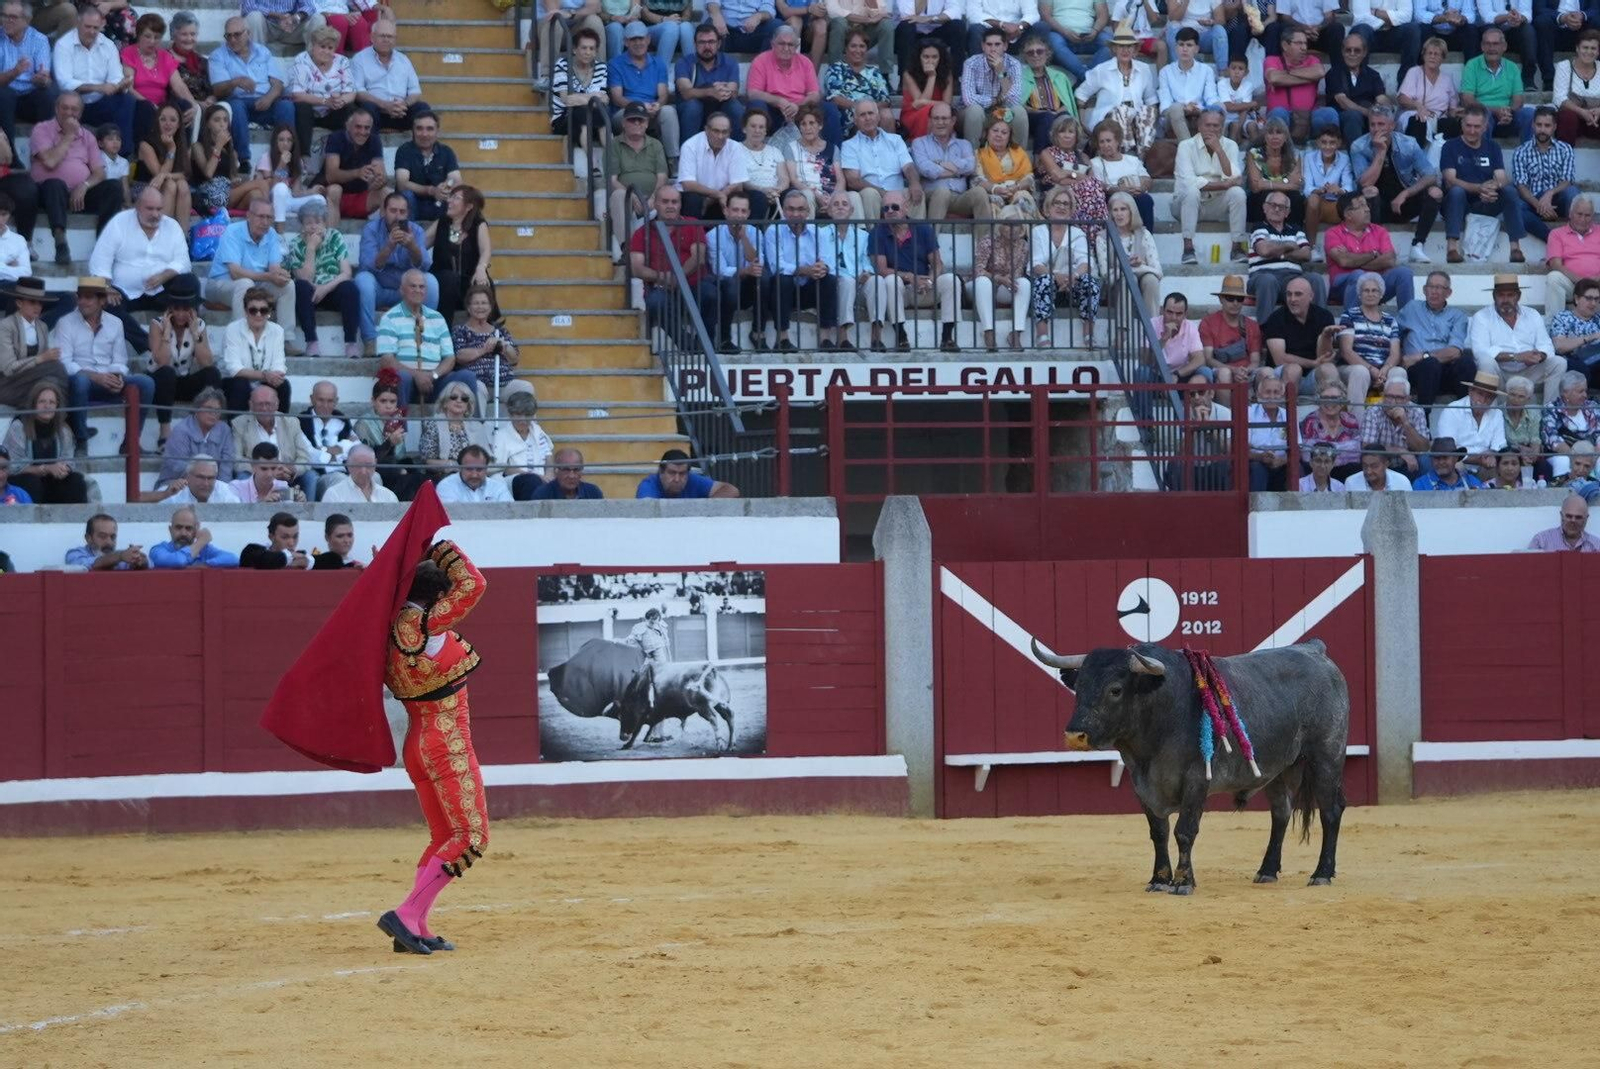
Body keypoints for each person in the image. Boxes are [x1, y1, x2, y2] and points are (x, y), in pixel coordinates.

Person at [378, 538, 491, 955]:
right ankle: (407, 913)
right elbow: (475, 583)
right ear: (440, 597)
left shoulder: (391, 627)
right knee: (471, 836)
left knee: (444, 834)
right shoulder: (426, 626)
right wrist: (436, 543)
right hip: (447, 743)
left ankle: (418, 924)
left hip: (417, 744)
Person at [89, 186, 191, 354]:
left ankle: (186, 338)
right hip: (124, 291)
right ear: (137, 206)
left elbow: (184, 262)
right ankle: (148, 345)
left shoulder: (171, 226)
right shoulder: (119, 223)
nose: (155, 214)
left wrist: (165, 275)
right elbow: (100, 260)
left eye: (159, 209)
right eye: (150, 209)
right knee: (103, 302)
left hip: (160, 290)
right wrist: (106, 287)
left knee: (189, 283)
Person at [60, 275, 151, 450]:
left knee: (146, 383)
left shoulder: (115, 323)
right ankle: (80, 440)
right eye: (80, 297)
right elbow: (64, 363)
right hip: (80, 382)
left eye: (88, 298)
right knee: (80, 381)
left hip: (107, 381)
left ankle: (130, 443)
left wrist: (117, 376)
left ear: (102, 301)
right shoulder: (66, 323)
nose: (82, 302)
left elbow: (120, 360)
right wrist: (95, 377)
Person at [30, 91, 123, 262]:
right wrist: (69, 136)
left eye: (74, 109)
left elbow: (99, 172)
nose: (69, 113)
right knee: (54, 183)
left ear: (80, 113)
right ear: (57, 109)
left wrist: (85, 185)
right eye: (65, 108)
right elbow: (50, 162)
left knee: (114, 187)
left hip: (79, 196)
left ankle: (104, 245)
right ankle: (60, 241)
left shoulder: (88, 136)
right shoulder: (42, 129)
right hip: (48, 193)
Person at [1348, 105, 1439, 266]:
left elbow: (1430, 175)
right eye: (1372, 124)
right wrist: (1380, 152)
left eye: (1381, 124)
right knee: (1370, 191)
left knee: (1435, 192)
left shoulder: (1408, 144)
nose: (1376, 129)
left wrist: (1406, 193)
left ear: (1392, 125)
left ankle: (1418, 245)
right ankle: (1374, 245)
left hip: (1404, 202)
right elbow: (1365, 183)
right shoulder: (1359, 146)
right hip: (1376, 206)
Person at [868, 188, 952, 351]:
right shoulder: (877, 232)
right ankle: (901, 335)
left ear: (906, 207)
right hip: (901, 290)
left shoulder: (923, 229)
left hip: (924, 287)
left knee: (951, 280)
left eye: (895, 207)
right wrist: (910, 277)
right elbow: (882, 269)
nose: (890, 211)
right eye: (886, 208)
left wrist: (929, 280)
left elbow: (937, 263)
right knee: (891, 281)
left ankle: (948, 336)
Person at [1440, 104, 1525, 265]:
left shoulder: (1492, 147)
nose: (1472, 131)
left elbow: (1502, 177)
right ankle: (1452, 248)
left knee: (1509, 191)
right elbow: (1450, 180)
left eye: (1477, 126)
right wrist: (1480, 188)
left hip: (1485, 201)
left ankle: (1515, 247)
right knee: (1456, 191)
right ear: (1462, 124)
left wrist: (1493, 187)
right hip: (1459, 204)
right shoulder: (1450, 146)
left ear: (1485, 127)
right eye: (1468, 126)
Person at [378, 269, 472, 409]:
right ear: (402, 290)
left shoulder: (437, 318)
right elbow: (387, 360)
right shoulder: (389, 318)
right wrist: (416, 375)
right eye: (413, 286)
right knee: (401, 378)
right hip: (406, 382)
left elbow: (450, 358)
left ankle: (469, 429)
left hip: (435, 381)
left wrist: (433, 375)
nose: (417, 290)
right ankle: (397, 430)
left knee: (467, 377)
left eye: (421, 287)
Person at [209, 16, 293, 170]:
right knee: (235, 106)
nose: (232, 39)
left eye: (237, 34)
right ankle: (244, 160)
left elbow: (278, 84)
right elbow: (217, 89)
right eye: (229, 35)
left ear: (248, 33)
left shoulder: (263, 52)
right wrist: (236, 81)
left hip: (264, 102)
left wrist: (269, 98)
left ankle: (285, 158)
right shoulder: (218, 55)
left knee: (286, 106)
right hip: (238, 103)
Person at [1469, 273, 1566, 402]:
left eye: (1510, 295)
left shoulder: (1532, 315)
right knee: (1486, 362)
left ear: (1518, 296)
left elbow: (1546, 346)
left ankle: (1550, 412)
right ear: (1494, 296)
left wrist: (1539, 356)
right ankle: (1491, 413)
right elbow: (1480, 351)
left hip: (1529, 373)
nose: (1505, 300)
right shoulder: (1481, 317)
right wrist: (1516, 357)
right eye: (1501, 295)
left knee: (1559, 363)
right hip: (1500, 374)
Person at [357, 192, 436, 349]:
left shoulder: (416, 231)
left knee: (431, 282)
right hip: (379, 289)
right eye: (393, 211)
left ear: (408, 213)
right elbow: (366, 265)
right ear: (384, 211)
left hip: (407, 292)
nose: (398, 216)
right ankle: (370, 340)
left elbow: (425, 265)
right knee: (363, 280)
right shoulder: (371, 229)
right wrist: (389, 246)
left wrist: (412, 247)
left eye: (402, 212)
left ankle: (425, 336)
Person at [761, 188, 836, 351]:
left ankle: (825, 339)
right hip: (783, 291)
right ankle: (782, 339)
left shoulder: (818, 232)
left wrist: (822, 268)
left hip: (808, 289)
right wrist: (806, 270)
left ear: (808, 211)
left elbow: (828, 259)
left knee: (829, 279)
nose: (796, 214)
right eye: (791, 209)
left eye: (801, 209)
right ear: (784, 211)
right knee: (783, 279)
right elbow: (776, 266)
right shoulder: (774, 231)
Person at [628, 183, 706, 341]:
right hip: (660, 287)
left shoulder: (693, 224)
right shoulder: (641, 233)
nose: (670, 206)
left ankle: (710, 342)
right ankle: (686, 343)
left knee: (711, 293)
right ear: (655, 204)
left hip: (692, 284)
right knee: (656, 301)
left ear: (680, 204)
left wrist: (677, 278)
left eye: (674, 202)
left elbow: (698, 257)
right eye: (665, 201)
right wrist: (664, 277)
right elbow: (637, 268)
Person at [283, 200, 358, 358]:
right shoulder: (295, 244)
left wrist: (325, 288)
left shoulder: (334, 237)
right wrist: (310, 248)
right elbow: (303, 277)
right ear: (302, 225)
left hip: (331, 288)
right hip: (309, 292)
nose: (313, 226)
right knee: (300, 286)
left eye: (318, 222)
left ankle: (350, 343)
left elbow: (346, 272)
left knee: (350, 288)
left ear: (325, 223)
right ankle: (312, 342)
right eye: (308, 222)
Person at [52, 6, 133, 151]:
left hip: (99, 103)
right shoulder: (63, 45)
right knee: (62, 98)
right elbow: (65, 83)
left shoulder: (108, 45)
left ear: (101, 26)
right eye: (87, 26)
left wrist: (120, 85)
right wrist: (99, 87)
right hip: (72, 105)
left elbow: (115, 77)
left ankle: (123, 155)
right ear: (78, 23)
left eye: (95, 28)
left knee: (127, 100)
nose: (91, 31)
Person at [1172, 108, 1247, 266]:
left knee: (1238, 193)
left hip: (1215, 203)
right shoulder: (1186, 146)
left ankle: (1237, 248)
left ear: (1222, 127)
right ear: (1199, 126)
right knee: (1192, 191)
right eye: (1208, 125)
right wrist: (1222, 184)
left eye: (1216, 125)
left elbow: (1235, 177)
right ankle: (1188, 249)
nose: (1212, 129)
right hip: (1186, 204)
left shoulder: (1230, 145)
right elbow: (1189, 182)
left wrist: (1219, 150)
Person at [1396, 270, 1477, 407]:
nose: (1434, 291)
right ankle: (1424, 417)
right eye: (1431, 287)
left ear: (1448, 293)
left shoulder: (1458, 316)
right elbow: (1392, 333)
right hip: (1417, 371)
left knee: (1466, 363)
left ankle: (1466, 414)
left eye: (1439, 288)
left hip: (1445, 371)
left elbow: (1454, 352)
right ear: (1424, 290)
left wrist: (1423, 356)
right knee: (1430, 364)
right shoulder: (1411, 308)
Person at [1030, 184, 1097, 345]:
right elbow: (1035, 264)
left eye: (1066, 204)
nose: (1061, 207)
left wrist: (1073, 276)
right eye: (1057, 203)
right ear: (1048, 208)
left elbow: (1085, 262)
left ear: (1071, 209)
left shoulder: (1078, 233)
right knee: (1043, 281)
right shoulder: (1038, 231)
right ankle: (1042, 336)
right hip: (1047, 282)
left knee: (1091, 283)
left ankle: (1089, 336)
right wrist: (1055, 276)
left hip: (1072, 282)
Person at [1323, 193, 1413, 313]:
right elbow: (1344, 261)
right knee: (1359, 275)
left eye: (1366, 205)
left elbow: (1389, 260)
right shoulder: (1333, 233)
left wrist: (1353, 259)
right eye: (1361, 205)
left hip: (1376, 285)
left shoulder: (1379, 231)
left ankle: (1408, 323)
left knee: (1404, 273)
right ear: (1348, 214)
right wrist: (1374, 254)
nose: (1367, 209)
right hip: (1344, 288)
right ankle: (1351, 325)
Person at [964, 201, 1032, 351]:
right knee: (983, 282)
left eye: (1016, 225)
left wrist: (1007, 280)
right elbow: (978, 270)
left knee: (1024, 284)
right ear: (1000, 225)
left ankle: (1015, 333)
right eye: (1007, 224)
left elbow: (1019, 272)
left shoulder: (1023, 246)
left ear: (1021, 227)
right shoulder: (988, 241)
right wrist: (998, 278)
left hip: (1003, 288)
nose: (1012, 229)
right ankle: (989, 332)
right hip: (978, 287)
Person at [4, 377, 85, 499]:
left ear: (57, 406)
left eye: (51, 402)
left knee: (76, 481)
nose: (47, 406)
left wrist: (64, 469)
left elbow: (68, 460)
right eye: (42, 401)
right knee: (32, 483)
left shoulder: (63, 430)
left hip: (52, 480)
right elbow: (13, 467)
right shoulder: (19, 427)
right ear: (34, 404)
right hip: (24, 479)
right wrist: (46, 469)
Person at [427, 184, 496, 326]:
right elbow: (420, 245)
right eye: (450, 197)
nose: (449, 201)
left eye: (456, 198)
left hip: (466, 283)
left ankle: (488, 330)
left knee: (484, 281)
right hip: (442, 281)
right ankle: (443, 330)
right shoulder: (442, 223)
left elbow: (486, 251)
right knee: (449, 278)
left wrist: (481, 268)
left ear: (469, 206)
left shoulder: (478, 224)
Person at [1073, 24, 1155, 143]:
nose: (1125, 50)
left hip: (1136, 121)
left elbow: (1151, 100)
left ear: (1135, 49)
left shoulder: (1144, 69)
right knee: (1121, 111)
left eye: (1129, 46)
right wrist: (1083, 123)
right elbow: (1081, 95)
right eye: (1121, 46)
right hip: (1108, 122)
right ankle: (1125, 151)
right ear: (1114, 49)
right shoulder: (1102, 70)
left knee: (1148, 111)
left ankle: (1142, 154)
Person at [608, 21, 678, 161]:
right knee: (633, 115)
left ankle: (673, 159)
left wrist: (658, 105)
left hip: (651, 111)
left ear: (648, 40)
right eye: (633, 39)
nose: (638, 42)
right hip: (624, 112)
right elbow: (617, 98)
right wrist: (640, 107)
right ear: (626, 42)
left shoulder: (658, 63)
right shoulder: (615, 64)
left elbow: (663, 94)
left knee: (669, 111)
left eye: (641, 38)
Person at [841, 99, 919, 221]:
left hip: (897, 191)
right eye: (862, 115)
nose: (867, 118)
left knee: (917, 192)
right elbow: (853, 181)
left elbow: (908, 167)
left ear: (878, 117)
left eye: (870, 113)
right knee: (870, 194)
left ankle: (916, 237)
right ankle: (874, 237)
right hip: (872, 194)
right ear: (855, 121)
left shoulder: (896, 140)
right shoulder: (849, 146)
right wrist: (884, 193)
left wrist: (914, 183)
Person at [605, 100, 668, 250]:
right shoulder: (614, 145)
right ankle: (627, 248)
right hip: (627, 199)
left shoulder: (656, 145)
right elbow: (612, 180)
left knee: (673, 194)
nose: (637, 123)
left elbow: (662, 176)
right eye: (632, 120)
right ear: (623, 123)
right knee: (619, 195)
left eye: (641, 120)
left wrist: (653, 197)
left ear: (647, 123)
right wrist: (633, 197)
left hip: (652, 198)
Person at [1248, 191, 1322, 318]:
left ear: (1287, 212)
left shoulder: (1296, 230)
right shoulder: (1259, 227)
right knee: (1268, 280)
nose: (1276, 209)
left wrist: (1280, 254)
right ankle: (1265, 331)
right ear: (1265, 208)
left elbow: (1306, 254)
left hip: (1292, 277)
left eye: (1281, 207)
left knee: (1315, 279)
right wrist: (1288, 245)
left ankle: (1320, 329)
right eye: (1272, 205)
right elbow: (1264, 250)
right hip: (1263, 275)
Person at [745, 24, 824, 139]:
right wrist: (778, 101)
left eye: (790, 45)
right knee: (756, 105)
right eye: (782, 44)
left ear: (796, 46)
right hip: (772, 110)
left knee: (829, 109)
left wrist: (797, 105)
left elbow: (815, 95)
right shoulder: (760, 61)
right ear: (772, 44)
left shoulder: (805, 62)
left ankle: (831, 152)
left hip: (800, 110)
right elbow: (753, 93)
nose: (786, 48)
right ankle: (756, 149)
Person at [220, 284, 290, 414]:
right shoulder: (233, 329)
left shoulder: (277, 331)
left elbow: (279, 366)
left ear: (269, 312)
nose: (258, 314)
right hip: (234, 382)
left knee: (283, 385)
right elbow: (234, 370)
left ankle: (280, 429)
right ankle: (237, 430)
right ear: (246, 311)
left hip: (264, 381)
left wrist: (270, 376)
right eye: (253, 310)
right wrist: (265, 375)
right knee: (240, 385)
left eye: (263, 310)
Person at [0, 275, 66, 411]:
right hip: (7, 384)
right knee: (56, 368)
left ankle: (56, 422)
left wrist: (44, 360)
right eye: (32, 302)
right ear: (19, 303)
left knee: (51, 382)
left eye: (40, 303)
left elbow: (43, 367)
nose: (37, 307)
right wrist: (41, 358)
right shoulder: (5, 326)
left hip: (33, 382)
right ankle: (66, 422)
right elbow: (8, 368)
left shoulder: (42, 327)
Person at [1510, 106, 1576, 243]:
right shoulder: (1521, 152)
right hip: (1533, 200)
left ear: (1554, 127)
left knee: (1573, 193)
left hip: (1558, 198)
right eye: (1539, 125)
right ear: (1533, 125)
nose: (1542, 129)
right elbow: (1521, 186)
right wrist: (1540, 206)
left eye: (1547, 125)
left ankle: (1575, 235)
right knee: (1516, 208)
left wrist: (1550, 193)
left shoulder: (1565, 149)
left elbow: (1567, 180)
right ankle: (1551, 238)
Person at [351, 16, 427, 134]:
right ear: (372, 37)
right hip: (375, 111)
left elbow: (415, 91)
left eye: (390, 36)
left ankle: (419, 151)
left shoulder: (403, 60)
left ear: (395, 39)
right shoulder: (359, 59)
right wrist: (385, 105)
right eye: (382, 36)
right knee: (366, 109)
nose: (386, 39)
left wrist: (404, 104)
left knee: (423, 109)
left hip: (401, 112)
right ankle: (372, 151)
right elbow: (358, 92)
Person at [1261, 274, 1337, 391]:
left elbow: (1324, 358)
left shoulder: (1324, 317)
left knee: (1329, 368)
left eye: (1298, 294)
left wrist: (1326, 336)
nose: (1292, 299)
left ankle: (1331, 407)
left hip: (1312, 375)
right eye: (1289, 294)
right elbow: (1280, 359)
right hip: (1282, 376)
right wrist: (1312, 363)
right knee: (1294, 369)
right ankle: (1288, 409)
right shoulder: (1275, 318)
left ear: (1311, 296)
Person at [1458, 25, 1533, 139]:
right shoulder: (1472, 65)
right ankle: (1483, 155)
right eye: (1487, 44)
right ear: (1482, 46)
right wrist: (1495, 111)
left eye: (1496, 44)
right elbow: (1467, 99)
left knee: (1530, 114)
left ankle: (1528, 155)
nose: (1491, 48)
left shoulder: (1512, 67)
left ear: (1504, 46)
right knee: (1483, 115)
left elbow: (1518, 99)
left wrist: (1508, 112)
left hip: (1508, 116)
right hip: (1484, 115)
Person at [676, 110, 754, 220]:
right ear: (706, 130)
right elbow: (688, 184)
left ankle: (748, 234)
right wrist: (718, 194)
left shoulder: (735, 147)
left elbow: (737, 184)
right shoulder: (690, 146)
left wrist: (718, 196)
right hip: (696, 197)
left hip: (722, 197)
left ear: (730, 132)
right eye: (716, 131)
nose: (720, 136)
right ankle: (694, 235)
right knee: (693, 199)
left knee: (756, 197)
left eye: (724, 132)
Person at [1262, 27, 1337, 142]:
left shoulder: (1312, 60)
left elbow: (1320, 72)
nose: (1304, 48)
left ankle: (1328, 154)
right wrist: (1308, 78)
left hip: (1308, 117)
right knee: (1278, 112)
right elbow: (1274, 78)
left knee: (1329, 113)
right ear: (1285, 45)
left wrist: (1287, 74)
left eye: (1305, 43)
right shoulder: (1272, 60)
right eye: (1298, 43)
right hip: (1283, 117)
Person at [0, 0, 56, 151]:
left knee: (48, 93)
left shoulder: (39, 40)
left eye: (13, 17)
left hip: (28, 98)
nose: (7, 21)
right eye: (4, 16)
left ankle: (44, 149)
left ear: (26, 20)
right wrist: (15, 72)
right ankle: (9, 153)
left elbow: (45, 76)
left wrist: (42, 80)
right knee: (4, 94)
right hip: (4, 97)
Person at [452, 283, 519, 409]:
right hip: (477, 383)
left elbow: (514, 359)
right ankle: (477, 427)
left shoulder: (501, 331)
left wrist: (504, 346)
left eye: (484, 303)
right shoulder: (460, 330)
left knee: (525, 388)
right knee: (475, 389)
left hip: (503, 383)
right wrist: (484, 349)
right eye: (476, 303)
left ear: (490, 307)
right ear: (468, 307)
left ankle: (524, 429)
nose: (480, 307)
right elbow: (459, 355)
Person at [674, 21, 742, 143]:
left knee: (735, 107)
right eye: (702, 42)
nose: (707, 47)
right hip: (692, 111)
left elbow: (733, 91)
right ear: (695, 44)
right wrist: (710, 91)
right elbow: (686, 93)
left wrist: (724, 91)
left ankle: (740, 151)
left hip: (720, 108)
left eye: (711, 42)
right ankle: (688, 154)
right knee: (692, 106)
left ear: (719, 44)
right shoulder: (684, 63)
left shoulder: (730, 62)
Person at [319, 98, 386, 222]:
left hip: (361, 197)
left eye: (367, 128)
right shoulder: (336, 138)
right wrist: (357, 173)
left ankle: (386, 239)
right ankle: (331, 239)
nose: (362, 132)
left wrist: (379, 180)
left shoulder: (374, 140)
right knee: (334, 190)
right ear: (348, 126)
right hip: (337, 199)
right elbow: (330, 175)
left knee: (387, 194)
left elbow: (381, 173)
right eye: (358, 127)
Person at [1432, 368, 1508, 471]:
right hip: (1458, 464)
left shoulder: (1497, 414)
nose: (1483, 400)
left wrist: (1492, 454)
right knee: (1455, 465)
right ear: (1470, 391)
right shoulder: (1452, 410)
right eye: (1480, 394)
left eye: (1489, 397)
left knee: (1504, 466)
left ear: (1494, 398)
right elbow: (1448, 449)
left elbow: (1499, 446)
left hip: (1486, 466)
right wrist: (1477, 459)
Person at [961, 25, 1026, 145]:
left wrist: (1001, 72)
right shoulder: (971, 63)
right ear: (983, 46)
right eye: (989, 44)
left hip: (1002, 113)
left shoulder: (1014, 64)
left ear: (1005, 46)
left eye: (997, 44)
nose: (993, 49)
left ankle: (1019, 158)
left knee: (1019, 111)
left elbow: (1014, 100)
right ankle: (973, 157)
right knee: (974, 110)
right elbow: (968, 99)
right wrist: (995, 100)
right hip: (978, 114)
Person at [393, 110, 460, 228]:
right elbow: (402, 184)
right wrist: (432, 190)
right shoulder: (404, 150)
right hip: (413, 204)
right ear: (413, 131)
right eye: (419, 128)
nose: (424, 134)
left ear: (437, 132)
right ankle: (406, 238)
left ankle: (454, 243)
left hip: (439, 204)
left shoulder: (446, 152)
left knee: (465, 200)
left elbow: (456, 181)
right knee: (406, 196)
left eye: (430, 129)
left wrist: (445, 188)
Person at [1359, 370, 1432, 476]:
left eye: (1398, 398)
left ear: (1407, 399)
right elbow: (1367, 447)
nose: (1392, 402)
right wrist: (1400, 451)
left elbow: (1423, 448)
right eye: (1389, 396)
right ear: (1383, 396)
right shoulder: (1373, 411)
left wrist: (1405, 422)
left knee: (1425, 460)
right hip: (1382, 467)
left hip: (1410, 466)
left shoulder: (1416, 411)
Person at [825, 26, 892, 140]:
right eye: (853, 46)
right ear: (845, 48)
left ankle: (887, 155)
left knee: (886, 115)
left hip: (873, 114)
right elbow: (834, 98)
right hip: (849, 117)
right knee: (863, 118)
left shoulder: (874, 72)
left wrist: (869, 111)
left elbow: (885, 100)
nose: (858, 50)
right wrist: (860, 109)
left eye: (862, 46)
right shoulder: (836, 70)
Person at [1397, 32, 1464, 142]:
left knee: (1452, 124)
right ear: (1423, 55)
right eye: (1429, 53)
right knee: (1419, 121)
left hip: (1438, 118)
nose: (1432, 57)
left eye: (1436, 54)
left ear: (1443, 58)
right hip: (1416, 114)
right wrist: (1418, 105)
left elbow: (1451, 110)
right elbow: (1402, 98)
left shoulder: (1447, 79)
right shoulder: (1414, 72)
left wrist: (1455, 113)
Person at [1325, 32, 1389, 146]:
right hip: (1344, 118)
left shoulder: (1373, 74)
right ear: (1342, 52)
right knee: (1352, 115)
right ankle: (1357, 157)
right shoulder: (1334, 73)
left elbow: (1381, 98)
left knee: (1385, 117)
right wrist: (1369, 113)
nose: (1352, 54)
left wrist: (1382, 110)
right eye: (1348, 50)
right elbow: (1343, 102)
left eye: (1357, 50)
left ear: (1364, 53)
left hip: (1368, 118)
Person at [1087, 120, 1151, 231]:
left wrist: (1141, 188)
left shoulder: (1132, 160)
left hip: (1134, 196)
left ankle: (1145, 239)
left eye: (1109, 141)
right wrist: (1118, 190)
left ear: (1117, 141)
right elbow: (1096, 184)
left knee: (1145, 199)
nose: (1106, 145)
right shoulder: (1094, 163)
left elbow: (1147, 179)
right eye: (1102, 142)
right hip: (1111, 197)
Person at [1017, 32, 1077, 152]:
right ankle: (1040, 159)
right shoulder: (1019, 77)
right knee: (1046, 118)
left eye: (1039, 51)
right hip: (1032, 118)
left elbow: (1067, 103)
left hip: (1058, 114)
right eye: (1030, 52)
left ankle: (1067, 158)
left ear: (1047, 53)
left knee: (1065, 120)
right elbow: (1018, 104)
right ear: (1025, 57)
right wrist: (1039, 111)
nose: (1035, 55)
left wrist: (1056, 113)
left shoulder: (1060, 77)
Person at [1157, 26, 1218, 142]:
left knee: (1220, 107)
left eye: (1189, 45)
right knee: (1175, 108)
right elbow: (1165, 106)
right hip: (1174, 118)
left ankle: (1215, 148)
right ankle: (1188, 149)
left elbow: (1211, 98)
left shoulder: (1206, 71)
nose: (1184, 49)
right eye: (1181, 45)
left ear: (1196, 49)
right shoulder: (1165, 72)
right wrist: (1184, 109)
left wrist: (1198, 109)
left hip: (1199, 114)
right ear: (1176, 48)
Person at [1199, 275, 1260, 384]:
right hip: (1221, 371)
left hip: (1247, 373)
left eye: (1239, 299)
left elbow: (1255, 360)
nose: (1235, 303)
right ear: (1221, 299)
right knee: (1224, 373)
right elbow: (1208, 359)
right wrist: (1233, 370)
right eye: (1230, 298)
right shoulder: (1207, 323)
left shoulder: (1252, 325)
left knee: (1267, 372)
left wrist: (1244, 372)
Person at [490, 391, 551, 500]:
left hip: (541, 479)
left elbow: (548, 456)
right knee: (531, 481)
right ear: (510, 414)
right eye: (518, 414)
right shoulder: (501, 435)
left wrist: (549, 475)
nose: (523, 420)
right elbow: (503, 468)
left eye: (527, 415)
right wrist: (537, 477)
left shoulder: (537, 430)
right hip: (516, 480)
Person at [1541, 369, 1600, 479]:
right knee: (1564, 461)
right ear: (1565, 393)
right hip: (1563, 453)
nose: (1585, 395)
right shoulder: (1552, 409)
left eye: (1585, 391)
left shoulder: (1591, 407)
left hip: (1591, 455)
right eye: (1580, 391)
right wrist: (1575, 457)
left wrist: (1593, 456)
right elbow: (1551, 437)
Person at [1547, 196, 1600, 317]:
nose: (1583, 219)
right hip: (1572, 284)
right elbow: (1556, 264)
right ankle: (1555, 325)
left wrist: (1596, 278)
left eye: (1587, 215)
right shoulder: (1557, 234)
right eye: (1579, 214)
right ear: (1570, 214)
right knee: (1554, 278)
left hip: (1598, 283)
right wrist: (1579, 280)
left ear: (1593, 216)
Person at [1244, 117, 1302, 228]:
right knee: (1262, 197)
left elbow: (1295, 186)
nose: (1275, 137)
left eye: (1279, 133)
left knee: (1296, 198)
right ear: (1265, 136)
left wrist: (1266, 184)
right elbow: (1255, 187)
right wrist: (1285, 184)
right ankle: (1261, 233)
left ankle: (1294, 233)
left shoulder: (1294, 155)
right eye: (1270, 133)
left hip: (1286, 195)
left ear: (1285, 137)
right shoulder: (1254, 154)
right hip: (1259, 197)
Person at [1301, 124, 1351, 250]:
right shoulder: (1309, 157)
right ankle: (1310, 246)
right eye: (1324, 142)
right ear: (1318, 142)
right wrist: (1319, 190)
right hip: (1315, 203)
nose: (1328, 147)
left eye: (1332, 143)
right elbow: (1307, 188)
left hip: (1335, 204)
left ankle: (1347, 247)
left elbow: (1349, 185)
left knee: (1351, 202)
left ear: (1339, 143)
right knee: (1313, 199)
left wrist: (1339, 190)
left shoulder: (1344, 159)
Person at [1299, 383, 1363, 480]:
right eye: (1325, 398)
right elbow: (1307, 455)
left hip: (1347, 470)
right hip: (1319, 470)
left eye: (1334, 398)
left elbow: (1357, 452)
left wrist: (1329, 450)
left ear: (1342, 401)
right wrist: (1343, 450)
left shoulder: (1350, 420)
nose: (1329, 402)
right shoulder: (1311, 421)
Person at [974, 114, 1034, 213]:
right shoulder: (979, 154)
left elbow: (1029, 178)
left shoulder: (1019, 152)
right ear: (987, 133)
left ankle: (1023, 228)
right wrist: (995, 189)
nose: (999, 135)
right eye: (995, 131)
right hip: (991, 192)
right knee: (992, 201)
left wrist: (1016, 187)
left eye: (1004, 132)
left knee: (1022, 197)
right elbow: (977, 180)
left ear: (1009, 136)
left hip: (1016, 190)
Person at [899, 38, 954, 145]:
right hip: (912, 114)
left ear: (940, 58)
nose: (930, 61)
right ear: (919, 57)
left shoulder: (947, 74)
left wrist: (924, 102)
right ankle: (922, 146)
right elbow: (920, 105)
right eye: (926, 57)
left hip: (938, 112)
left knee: (938, 113)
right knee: (928, 112)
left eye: (934, 57)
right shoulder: (908, 74)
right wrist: (932, 76)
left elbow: (947, 104)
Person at [1552, 28, 1600, 144]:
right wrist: (1582, 112)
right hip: (1572, 120)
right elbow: (1559, 98)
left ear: (1598, 52)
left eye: (1593, 48)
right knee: (1568, 117)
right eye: (1585, 47)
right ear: (1577, 49)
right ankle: (1564, 159)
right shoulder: (1564, 66)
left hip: (1595, 120)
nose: (1589, 52)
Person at [1245, 370, 1292, 490]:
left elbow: (1298, 448)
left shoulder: (1290, 415)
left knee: (1296, 467)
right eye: (1267, 392)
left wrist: (1281, 460)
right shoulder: (1248, 413)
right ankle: (1256, 508)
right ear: (1259, 395)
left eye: (1276, 392)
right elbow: (1242, 448)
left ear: (1282, 395)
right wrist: (1260, 457)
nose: (1272, 396)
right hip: (1256, 462)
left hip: (1281, 463)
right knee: (1257, 468)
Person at [1551, 277, 1600, 388]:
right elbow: (1559, 346)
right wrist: (1590, 337)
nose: (1593, 303)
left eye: (1596, 299)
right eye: (1589, 298)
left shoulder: (1598, 319)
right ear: (1577, 299)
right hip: (1574, 363)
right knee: (1580, 371)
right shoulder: (1562, 318)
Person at [1149, 290, 1206, 379]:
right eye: (1169, 312)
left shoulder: (1190, 327)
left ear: (1185, 314)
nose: (1173, 318)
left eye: (1179, 314)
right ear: (1162, 311)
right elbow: (1145, 359)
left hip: (1180, 374)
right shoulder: (1152, 324)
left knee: (1205, 371)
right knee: (1142, 371)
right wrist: (1164, 339)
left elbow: (1199, 359)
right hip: (1156, 373)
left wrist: (1177, 374)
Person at [63, 514, 148, 570]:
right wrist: (120, 556)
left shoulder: (122, 556)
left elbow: (150, 564)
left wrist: (141, 561)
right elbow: (86, 565)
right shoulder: (74, 554)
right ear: (88, 538)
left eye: (113, 537)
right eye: (103, 536)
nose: (109, 542)